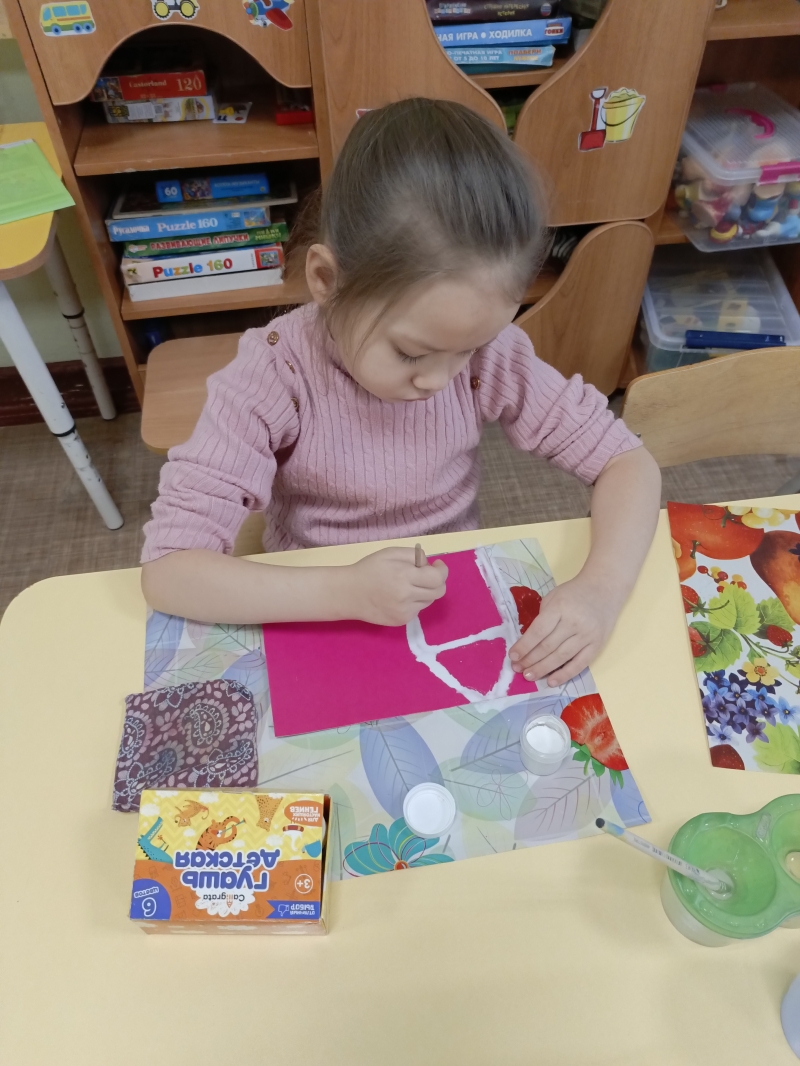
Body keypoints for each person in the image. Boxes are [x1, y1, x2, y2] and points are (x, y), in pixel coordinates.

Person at [141, 98, 661, 687]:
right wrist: (342, 591)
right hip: (313, 601)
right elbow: (168, 571)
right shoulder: (274, 373)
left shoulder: (489, 354)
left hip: (447, 599)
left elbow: (627, 463)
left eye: (468, 348)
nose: (440, 380)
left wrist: (601, 591)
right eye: (412, 354)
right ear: (327, 281)